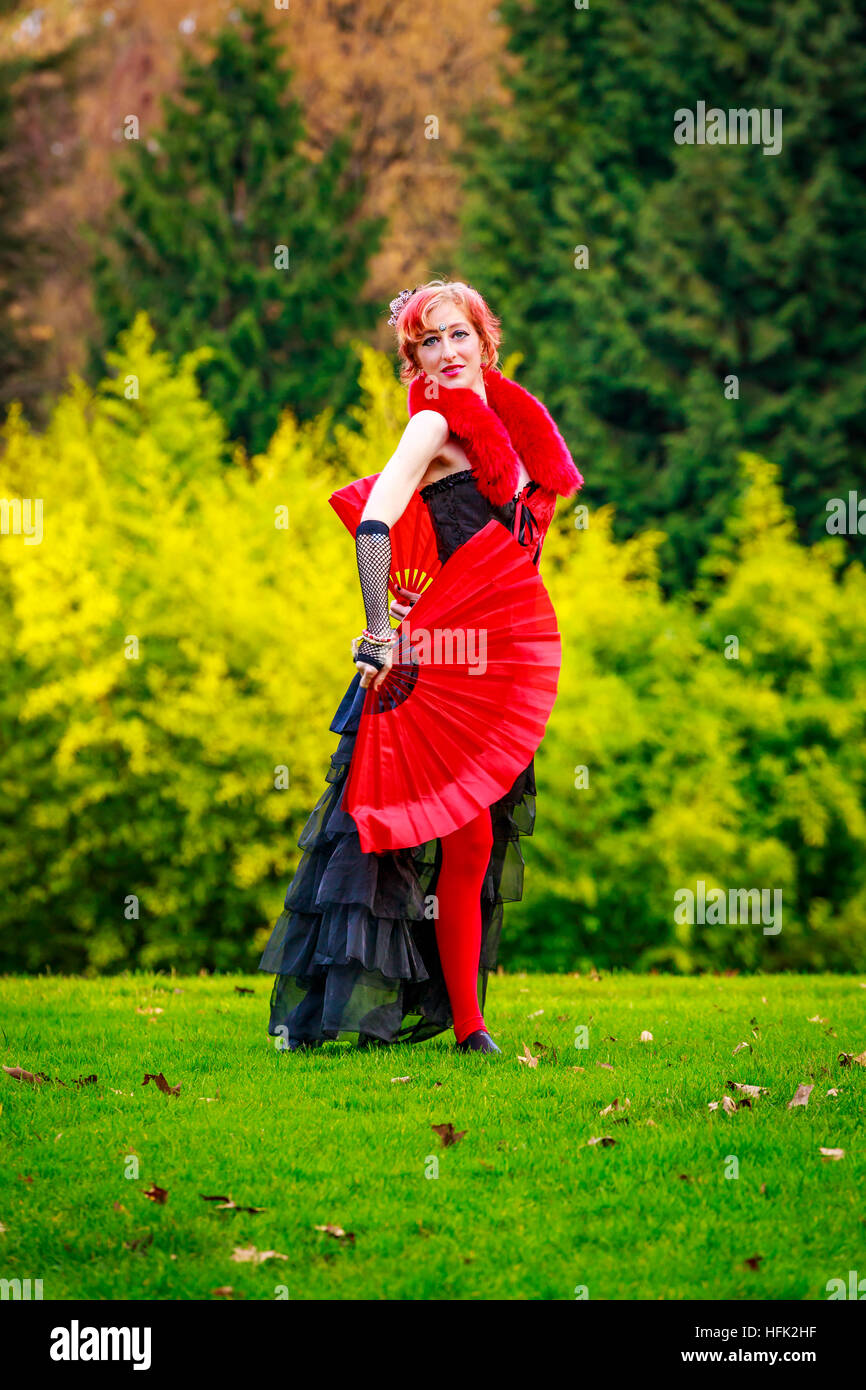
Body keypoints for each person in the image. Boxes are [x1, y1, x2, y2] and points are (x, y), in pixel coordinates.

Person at [258, 278, 583, 1056]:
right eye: (429, 341)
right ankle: (339, 1016)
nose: (446, 352)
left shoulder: (508, 433)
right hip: (425, 666)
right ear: (416, 361)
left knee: (471, 847)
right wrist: (378, 629)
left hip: (488, 668)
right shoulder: (434, 425)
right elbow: (375, 520)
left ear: (485, 341)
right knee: (380, 843)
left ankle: (469, 1026)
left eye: (458, 335)